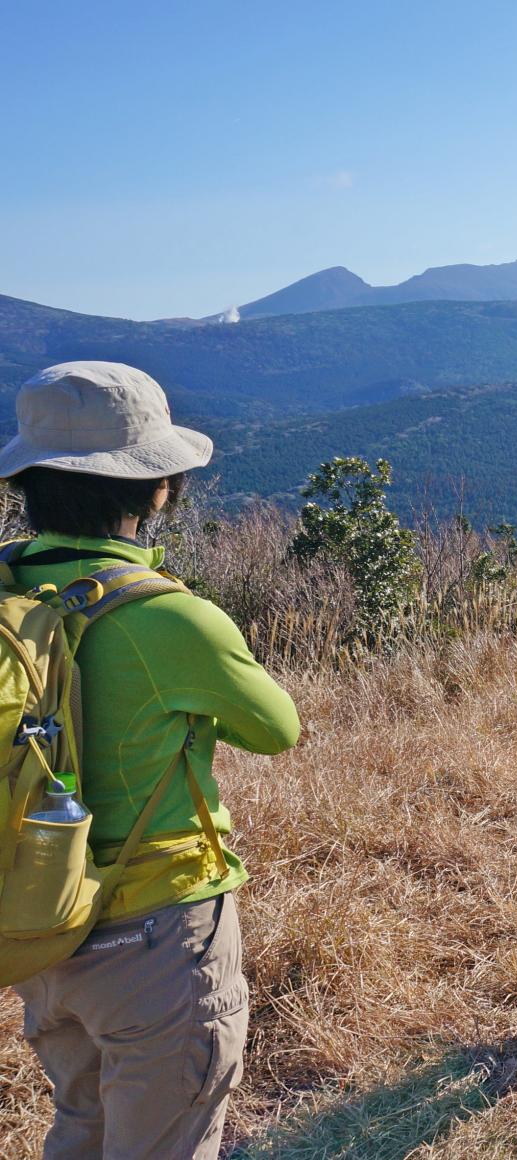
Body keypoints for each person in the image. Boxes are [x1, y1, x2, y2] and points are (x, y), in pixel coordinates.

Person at [1, 361, 301, 1160]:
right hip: (156, 937)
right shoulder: (170, 618)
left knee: (80, 1122)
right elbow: (278, 728)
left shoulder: (8, 591)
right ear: (157, 487)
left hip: (39, 923)